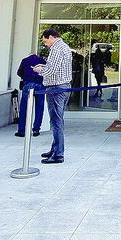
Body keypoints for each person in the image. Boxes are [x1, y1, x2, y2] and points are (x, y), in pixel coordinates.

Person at [38, 28, 72, 164]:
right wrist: (43, 66)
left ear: (51, 37)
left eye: (45, 41)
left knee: (56, 121)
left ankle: (58, 154)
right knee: (57, 120)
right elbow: (56, 67)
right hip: (62, 87)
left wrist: (40, 70)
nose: (45, 44)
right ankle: (55, 148)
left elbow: (52, 70)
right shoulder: (64, 47)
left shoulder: (57, 49)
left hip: (56, 88)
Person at [15, 47, 47, 137]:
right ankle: (36, 130)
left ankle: (21, 131)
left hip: (28, 84)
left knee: (24, 107)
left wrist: (25, 76)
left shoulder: (25, 60)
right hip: (40, 85)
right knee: (39, 107)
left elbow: (19, 72)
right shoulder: (42, 61)